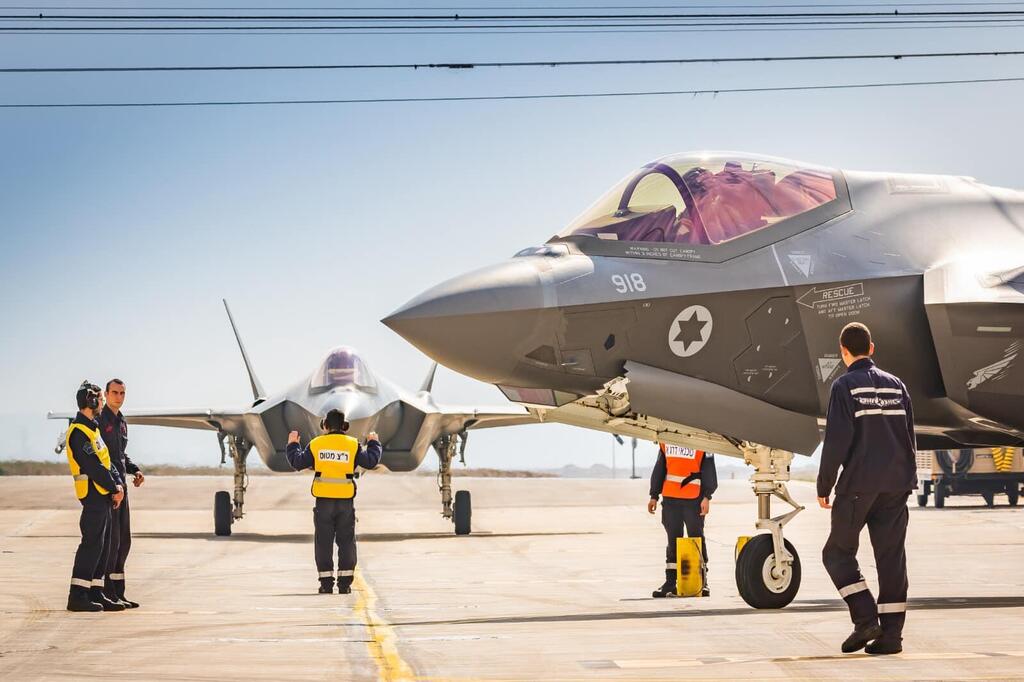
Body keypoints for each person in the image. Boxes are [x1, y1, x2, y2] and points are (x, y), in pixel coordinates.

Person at [818, 322, 917, 655]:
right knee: (891, 559)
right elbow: (909, 437)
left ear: (843, 351)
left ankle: (864, 618)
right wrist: (909, 480)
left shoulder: (844, 387)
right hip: (896, 485)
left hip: (860, 485)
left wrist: (825, 483)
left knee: (836, 553)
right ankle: (891, 637)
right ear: (871, 348)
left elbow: (836, 441)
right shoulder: (897, 385)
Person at [286, 409, 382, 594]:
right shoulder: (352, 444)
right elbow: (370, 462)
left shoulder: (317, 444)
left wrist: (292, 445)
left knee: (323, 542)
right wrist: (374, 443)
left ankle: (326, 584)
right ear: (345, 427)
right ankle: (345, 585)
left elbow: (297, 462)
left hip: (323, 502)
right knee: (346, 542)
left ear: (325, 426)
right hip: (345, 502)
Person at [65, 381, 126, 612]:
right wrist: (114, 488)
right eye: (99, 399)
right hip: (92, 496)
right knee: (91, 545)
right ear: (90, 401)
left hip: (105, 496)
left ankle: (96, 592)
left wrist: (117, 485)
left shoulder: (93, 430)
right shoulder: (79, 432)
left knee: (103, 546)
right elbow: (92, 466)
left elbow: (107, 461)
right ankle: (77, 595)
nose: (102, 403)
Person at [648, 442, 717, 598]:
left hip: (694, 499)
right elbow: (660, 467)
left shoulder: (701, 440)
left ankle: (702, 582)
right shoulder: (665, 441)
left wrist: (707, 497)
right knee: (673, 542)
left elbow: (709, 471)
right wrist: (654, 495)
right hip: (670, 498)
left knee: (696, 540)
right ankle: (670, 583)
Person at [99, 378, 144, 608]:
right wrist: (113, 486)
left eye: (122, 393)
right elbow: (102, 459)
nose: (119, 396)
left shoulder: (121, 421)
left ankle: (118, 592)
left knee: (123, 542)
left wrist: (134, 470)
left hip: (122, 488)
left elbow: (120, 455)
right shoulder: (100, 421)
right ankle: (106, 593)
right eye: (115, 392)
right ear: (106, 394)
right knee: (111, 542)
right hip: (109, 489)